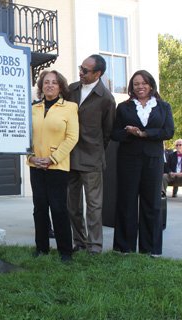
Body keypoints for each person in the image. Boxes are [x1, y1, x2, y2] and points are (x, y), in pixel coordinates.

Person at [111, 70, 174, 257]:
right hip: (128, 159)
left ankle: (151, 249)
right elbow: (114, 134)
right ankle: (124, 247)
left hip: (153, 160)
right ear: (132, 86)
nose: (140, 87)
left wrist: (146, 134)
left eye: (144, 83)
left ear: (151, 85)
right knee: (127, 202)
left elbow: (168, 131)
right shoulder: (123, 107)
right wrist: (128, 132)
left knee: (152, 203)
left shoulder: (163, 107)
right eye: (136, 84)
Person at [27, 70, 79, 262]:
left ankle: (65, 251)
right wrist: (31, 158)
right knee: (39, 207)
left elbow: (72, 137)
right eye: (46, 82)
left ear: (60, 86)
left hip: (57, 166)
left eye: (54, 83)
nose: (49, 85)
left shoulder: (70, 107)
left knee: (58, 208)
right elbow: (26, 137)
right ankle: (42, 248)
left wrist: (53, 158)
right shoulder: (33, 108)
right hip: (36, 166)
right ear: (41, 86)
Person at [67, 54, 116, 254]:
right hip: (69, 156)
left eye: (85, 70)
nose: (81, 72)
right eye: (81, 68)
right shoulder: (71, 90)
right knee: (72, 205)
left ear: (98, 73)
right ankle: (79, 242)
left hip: (92, 159)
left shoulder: (106, 99)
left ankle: (95, 247)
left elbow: (108, 132)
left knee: (94, 206)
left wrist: (95, 151)